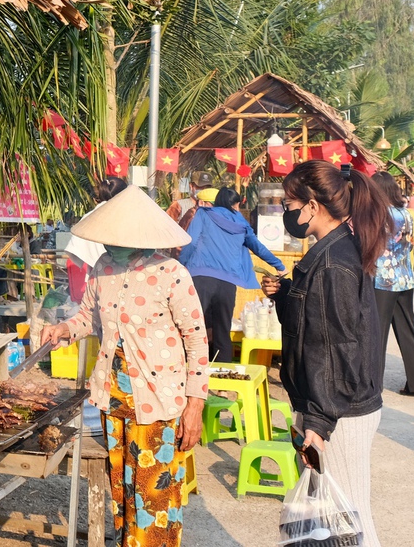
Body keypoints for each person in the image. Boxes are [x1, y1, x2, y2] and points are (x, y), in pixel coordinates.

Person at [40, 185, 206, 547]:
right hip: (113, 396)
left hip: (159, 400)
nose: (108, 243)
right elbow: (89, 318)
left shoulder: (172, 273)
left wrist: (195, 406)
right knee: (124, 491)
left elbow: (197, 341)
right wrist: (63, 329)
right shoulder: (104, 267)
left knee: (154, 496)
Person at [260, 160, 391, 547]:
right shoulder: (330, 250)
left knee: (349, 514)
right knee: (332, 519)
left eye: (288, 203)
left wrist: (318, 422)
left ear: (312, 206)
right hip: (331, 403)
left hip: (339, 409)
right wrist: (286, 295)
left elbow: (339, 350)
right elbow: (315, 327)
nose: (286, 211)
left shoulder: (333, 262)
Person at [178, 187, 285, 363]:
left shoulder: (203, 215)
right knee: (222, 330)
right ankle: (222, 383)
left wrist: (181, 264)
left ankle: (187, 373)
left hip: (200, 278)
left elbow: (190, 243)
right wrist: (279, 265)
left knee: (192, 327)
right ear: (235, 204)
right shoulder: (241, 223)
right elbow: (257, 247)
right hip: (227, 282)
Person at [372, 172, 414, 398]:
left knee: (376, 332)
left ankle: (372, 385)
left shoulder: (378, 214)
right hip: (404, 277)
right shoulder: (406, 214)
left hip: (382, 279)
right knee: (408, 328)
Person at [64, 177, 129, 302]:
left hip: (96, 277)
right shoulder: (125, 215)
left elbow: (74, 247)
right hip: (124, 276)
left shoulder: (90, 216)